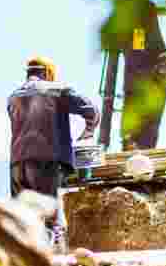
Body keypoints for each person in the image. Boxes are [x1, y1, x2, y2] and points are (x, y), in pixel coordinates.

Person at [7, 56, 100, 249]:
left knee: (23, 219)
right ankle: (57, 265)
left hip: (17, 163)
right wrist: (88, 131)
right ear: (48, 73)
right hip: (45, 160)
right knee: (50, 217)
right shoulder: (57, 90)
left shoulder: (13, 96)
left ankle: (24, 264)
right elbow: (91, 110)